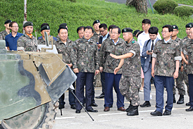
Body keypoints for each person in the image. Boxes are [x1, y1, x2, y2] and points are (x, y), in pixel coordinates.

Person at [151, 25, 181, 116]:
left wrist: (176, 71)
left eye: (165, 31)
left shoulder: (175, 44)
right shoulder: (158, 43)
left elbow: (177, 59)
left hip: (169, 72)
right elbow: (154, 57)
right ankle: (159, 109)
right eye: (162, 31)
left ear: (171, 33)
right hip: (159, 71)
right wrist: (152, 68)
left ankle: (168, 108)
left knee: (169, 90)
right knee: (159, 91)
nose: (163, 33)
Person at [110, 27, 141, 116]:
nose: (123, 36)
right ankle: (132, 102)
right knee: (122, 89)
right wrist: (118, 67)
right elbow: (124, 57)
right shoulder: (125, 45)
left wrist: (116, 57)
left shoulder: (135, 44)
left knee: (134, 90)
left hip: (134, 72)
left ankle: (135, 108)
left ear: (130, 35)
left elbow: (129, 54)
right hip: (126, 71)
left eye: (125, 34)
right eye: (123, 35)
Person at [71, 26, 99, 113]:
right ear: (83, 33)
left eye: (89, 32)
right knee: (79, 88)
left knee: (89, 88)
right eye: (86, 32)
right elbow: (73, 55)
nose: (87, 34)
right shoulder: (77, 42)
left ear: (92, 34)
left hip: (90, 69)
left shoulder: (94, 44)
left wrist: (97, 67)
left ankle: (89, 106)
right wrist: (75, 66)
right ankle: (79, 106)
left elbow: (96, 57)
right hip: (80, 69)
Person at [100, 26, 125, 112]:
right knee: (108, 88)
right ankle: (107, 105)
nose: (113, 34)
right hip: (108, 69)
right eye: (111, 32)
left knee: (120, 88)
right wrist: (101, 65)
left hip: (119, 69)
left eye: (115, 33)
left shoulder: (123, 43)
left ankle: (120, 105)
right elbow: (101, 54)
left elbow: (125, 56)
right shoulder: (106, 42)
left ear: (119, 34)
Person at [55, 26, 76, 110]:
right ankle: (61, 102)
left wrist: (72, 64)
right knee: (61, 85)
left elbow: (74, 55)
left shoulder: (72, 43)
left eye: (65, 33)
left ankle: (72, 102)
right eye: (62, 33)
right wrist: (63, 64)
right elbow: (55, 56)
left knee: (71, 85)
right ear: (59, 34)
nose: (64, 35)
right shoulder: (55, 44)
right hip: (60, 67)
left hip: (71, 67)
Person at [140, 27, 160, 107]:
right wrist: (147, 53)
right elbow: (143, 53)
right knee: (146, 83)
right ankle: (147, 100)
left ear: (157, 34)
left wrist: (154, 53)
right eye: (150, 35)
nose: (152, 37)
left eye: (153, 35)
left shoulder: (160, 42)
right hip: (148, 64)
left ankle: (159, 101)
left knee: (158, 84)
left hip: (157, 66)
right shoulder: (147, 42)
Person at [171, 25, 185, 104]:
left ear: (177, 32)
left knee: (179, 81)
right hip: (170, 65)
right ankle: (172, 96)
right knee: (170, 83)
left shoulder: (180, 41)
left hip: (178, 65)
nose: (173, 32)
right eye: (172, 30)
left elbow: (182, 53)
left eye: (174, 30)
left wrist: (182, 64)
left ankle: (181, 96)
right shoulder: (168, 41)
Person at [180, 23, 193, 106]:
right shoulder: (187, 42)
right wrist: (185, 61)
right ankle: (191, 103)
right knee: (190, 86)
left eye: (191, 32)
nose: (189, 33)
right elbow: (183, 53)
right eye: (189, 32)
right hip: (190, 68)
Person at [95, 23, 110, 99]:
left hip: (109, 60)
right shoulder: (100, 38)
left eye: (103, 31)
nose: (101, 33)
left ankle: (108, 93)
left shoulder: (110, 37)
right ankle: (104, 92)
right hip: (102, 59)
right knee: (102, 78)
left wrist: (102, 46)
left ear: (106, 29)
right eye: (100, 31)